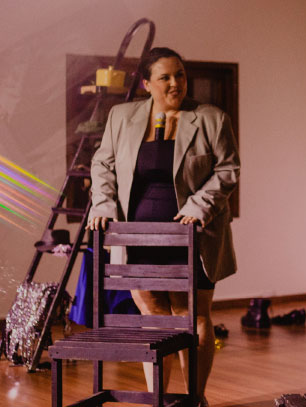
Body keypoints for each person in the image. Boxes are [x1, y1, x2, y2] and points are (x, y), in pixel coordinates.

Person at [87, 47, 240, 406]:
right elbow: (102, 165)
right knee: (154, 317)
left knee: (192, 316)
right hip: (137, 236)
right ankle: (159, 400)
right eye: (165, 77)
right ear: (146, 83)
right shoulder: (121, 116)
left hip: (194, 235)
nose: (175, 83)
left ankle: (194, 399)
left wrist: (199, 207)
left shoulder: (211, 118)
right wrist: (103, 205)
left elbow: (228, 169)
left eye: (180, 75)